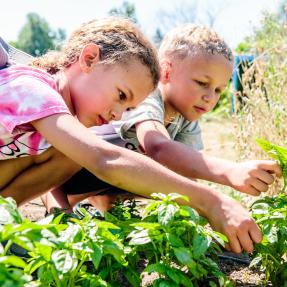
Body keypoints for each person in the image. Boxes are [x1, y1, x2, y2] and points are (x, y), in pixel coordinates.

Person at [0, 23, 280, 254]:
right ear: (88, 59)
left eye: (128, 108)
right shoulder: (33, 89)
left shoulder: (66, 119)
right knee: (88, 149)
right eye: (121, 96)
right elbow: (105, 158)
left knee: (74, 150)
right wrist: (213, 201)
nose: (117, 113)